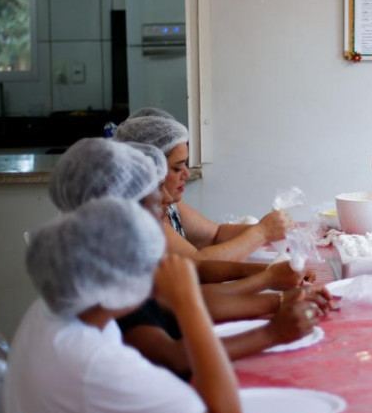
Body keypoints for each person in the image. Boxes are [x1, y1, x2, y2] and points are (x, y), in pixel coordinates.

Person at [5, 198, 243, 413]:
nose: (162, 269)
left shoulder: (56, 308)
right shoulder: (92, 360)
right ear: (118, 282)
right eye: (150, 264)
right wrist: (187, 302)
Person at [47, 138, 329, 377]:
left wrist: (272, 289)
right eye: (155, 197)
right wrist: (272, 332)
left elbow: (194, 280)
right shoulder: (106, 285)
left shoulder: (117, 258)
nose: (169, 200)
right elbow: (179, 354)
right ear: (120, 210)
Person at [114, 111, 295, 262]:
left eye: (186, 164)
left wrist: (274, 229)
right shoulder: (139, 217)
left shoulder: (168, 206)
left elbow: (215, 234)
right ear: (149, 170)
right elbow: (198, 265)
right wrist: (261, 232)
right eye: (177, 168)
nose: (186, 174)